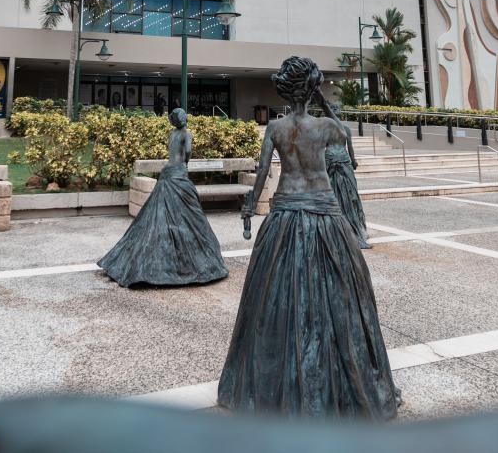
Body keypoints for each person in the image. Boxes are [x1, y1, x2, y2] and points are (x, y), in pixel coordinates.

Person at [218, 56, 398, 418]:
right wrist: (321, 100)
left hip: (285, 209)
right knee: (343, 292)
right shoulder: (328, 128)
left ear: (284, 90)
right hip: (322, 209)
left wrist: (250, 206)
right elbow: (345, 135)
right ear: (312, 87)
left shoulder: (275, 128)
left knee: (272, 295)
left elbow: (263, 172)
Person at [97, 108, 228, 287]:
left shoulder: (172, 134)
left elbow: (172, 152)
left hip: (167, 173)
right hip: (179, 173)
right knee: (191, 214)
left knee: (159, 215)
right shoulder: (186, 134)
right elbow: (188, 152)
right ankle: (185, 259)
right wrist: (185, 163)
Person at [325, 112, 371, 249]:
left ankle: (334, 227)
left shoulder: (325, 130)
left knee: (332, 193)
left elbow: (321, 147)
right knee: (351, 195)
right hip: (343, 160)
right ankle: (354, 227)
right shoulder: (345, 129)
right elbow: (349, 147)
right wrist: (353, 161)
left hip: (330, 159)